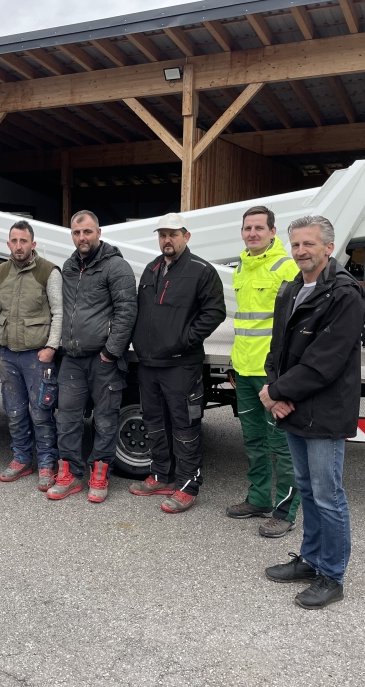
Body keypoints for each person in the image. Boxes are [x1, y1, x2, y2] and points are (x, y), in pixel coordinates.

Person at [261, 215, 365, 610]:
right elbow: (277, 349)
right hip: (293, 407)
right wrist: (274, 391)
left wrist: (274, 392)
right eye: (296, 244)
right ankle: (310, 559)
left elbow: (325, 361)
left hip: (324, 411)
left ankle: (332, 576)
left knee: (327, 495)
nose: (301, 251)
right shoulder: (291, 289)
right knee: (307, 490)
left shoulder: (345, 294)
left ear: (329, 247)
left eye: (309, 244)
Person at [128, 213, 226, 513]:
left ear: (186, 236)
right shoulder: (152, 269)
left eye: (173, 234)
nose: (167, 240)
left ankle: (187, 486)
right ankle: (162, 475)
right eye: (162, 235)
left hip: (181, 365)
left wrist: (185, 339)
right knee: (154, 423)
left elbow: (215, 312)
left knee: (185, 426)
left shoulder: (201, 270)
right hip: (149, 363)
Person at [47, 210, 137, 503]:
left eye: (87, 232)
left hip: (103, 360)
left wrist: (111, 352)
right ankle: (70, 475)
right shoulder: (69, 266)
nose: (81, 237)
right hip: (72, 358)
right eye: (76, 233)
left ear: (99, 232)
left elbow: (127, 311)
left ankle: (99, 475)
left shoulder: (117, 267)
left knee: (106, 421)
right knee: (67, 419)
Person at [225, 206, 302, 537]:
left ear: (273, 232)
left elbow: (297, 323)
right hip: (244, 369)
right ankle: (258, 499)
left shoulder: (286, 266)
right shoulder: (241, 266)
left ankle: (285, 511)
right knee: (253, 439)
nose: (252, 233)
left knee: (281, 445)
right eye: (248, 228)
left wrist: (285, 374)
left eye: (259, 228)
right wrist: (235, 364)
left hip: (273, 373)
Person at [0, 221, 63, 491]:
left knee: (40, 412)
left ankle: (46, 464)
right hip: (8, 354)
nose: (18, 246)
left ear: (33, 244)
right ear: (8, 244)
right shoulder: (1, 272)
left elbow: (59, 312)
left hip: (36, 356)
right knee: (14, 410)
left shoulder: (48, 271)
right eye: (14, 241)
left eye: (23, 241)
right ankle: (21, 459)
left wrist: (51, 347)